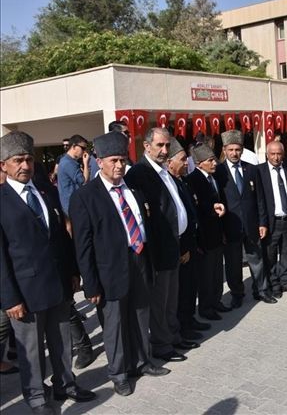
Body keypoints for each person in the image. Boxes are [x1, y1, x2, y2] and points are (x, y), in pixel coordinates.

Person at [0, 131, 96, 414]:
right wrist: (9, 299)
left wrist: (73, 272)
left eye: (29, 159)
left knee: (61, 341)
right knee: (31, 352)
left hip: (58, 284)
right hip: (25, 294)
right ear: (3, 165)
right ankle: (37, 398)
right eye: (18, 160)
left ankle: (65, 383)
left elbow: (61, 235)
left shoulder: (45, 190)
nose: (25, 165)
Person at [69, 132, 170, 397]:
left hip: (138, 261)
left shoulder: (133, 189)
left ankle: (142, 361)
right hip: (109, 271)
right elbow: (84, 245)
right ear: (99, 161)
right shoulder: (85, 197)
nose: (119, 166)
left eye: (123, 160)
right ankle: (119, 373)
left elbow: (142, 225)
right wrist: (91, 284)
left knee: (140, 316)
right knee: (114, 326)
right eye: (114, 160)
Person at [125, 127, 195, 363]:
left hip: (173, 246)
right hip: (158, 251)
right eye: (160, 146)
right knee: (160, 302)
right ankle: (162, 346)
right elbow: (142, 217)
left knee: (171, 299)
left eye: (167, 146)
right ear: (146, 146)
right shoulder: (139, 174)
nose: (165, 151)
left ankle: (173, 337)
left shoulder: (164, 172)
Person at [215, 130, 274, 305]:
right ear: (225, 150)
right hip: (230, 225)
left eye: (238, 149)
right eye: (231, 149)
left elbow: (260, 199)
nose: (234, 153)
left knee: (257, 259)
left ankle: (261, 291)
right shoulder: (218, 172)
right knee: (233, 264)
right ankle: (237, 294)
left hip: (251, 224)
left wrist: (262, 222)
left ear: (242, 150)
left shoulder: (251, 169)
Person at [166, 139, 209, 339]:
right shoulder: (169, 183)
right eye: (182, 159)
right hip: (181, 247)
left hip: (192, 242)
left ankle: (190, 319)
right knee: (182, 291)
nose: (186, 163)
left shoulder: (182, 181)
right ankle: (183, 326)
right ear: (169, 163)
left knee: (191, 286)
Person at [186, 143, 230, 319]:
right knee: (206, 275)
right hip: (204, 235)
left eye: (214, 160)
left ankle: (216, 300)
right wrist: (212, 209)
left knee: (217, 271)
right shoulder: (193, 180)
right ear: (198, 163)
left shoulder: (214, 177)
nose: (214, 164)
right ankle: (205, 307)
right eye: (210, 161)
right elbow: (196, 207)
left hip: (217, 232)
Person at [258, 141, 287, 297]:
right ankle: (274, 284)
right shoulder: (260, 171)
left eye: (279, 154)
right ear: (267, 154)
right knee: (270, 255)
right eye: (272, 154)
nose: (276, 157)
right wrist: (261, 223)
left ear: (283, 154)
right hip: (271, 221)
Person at [57, 134, 91, 215]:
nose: (84, 151)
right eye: (82, 148)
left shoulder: (66, 161)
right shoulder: (68, 163)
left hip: (72, 204)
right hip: (74, 206)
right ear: (74, 146)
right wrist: (86, 163)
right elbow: (84, 182)